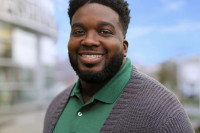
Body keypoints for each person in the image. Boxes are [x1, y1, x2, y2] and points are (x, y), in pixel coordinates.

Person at [43, 0, 194, 132]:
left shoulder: (163, 112)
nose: (89, 40)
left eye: (105, 31)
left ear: (124, 48)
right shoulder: (56, 106)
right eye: (79, 31)